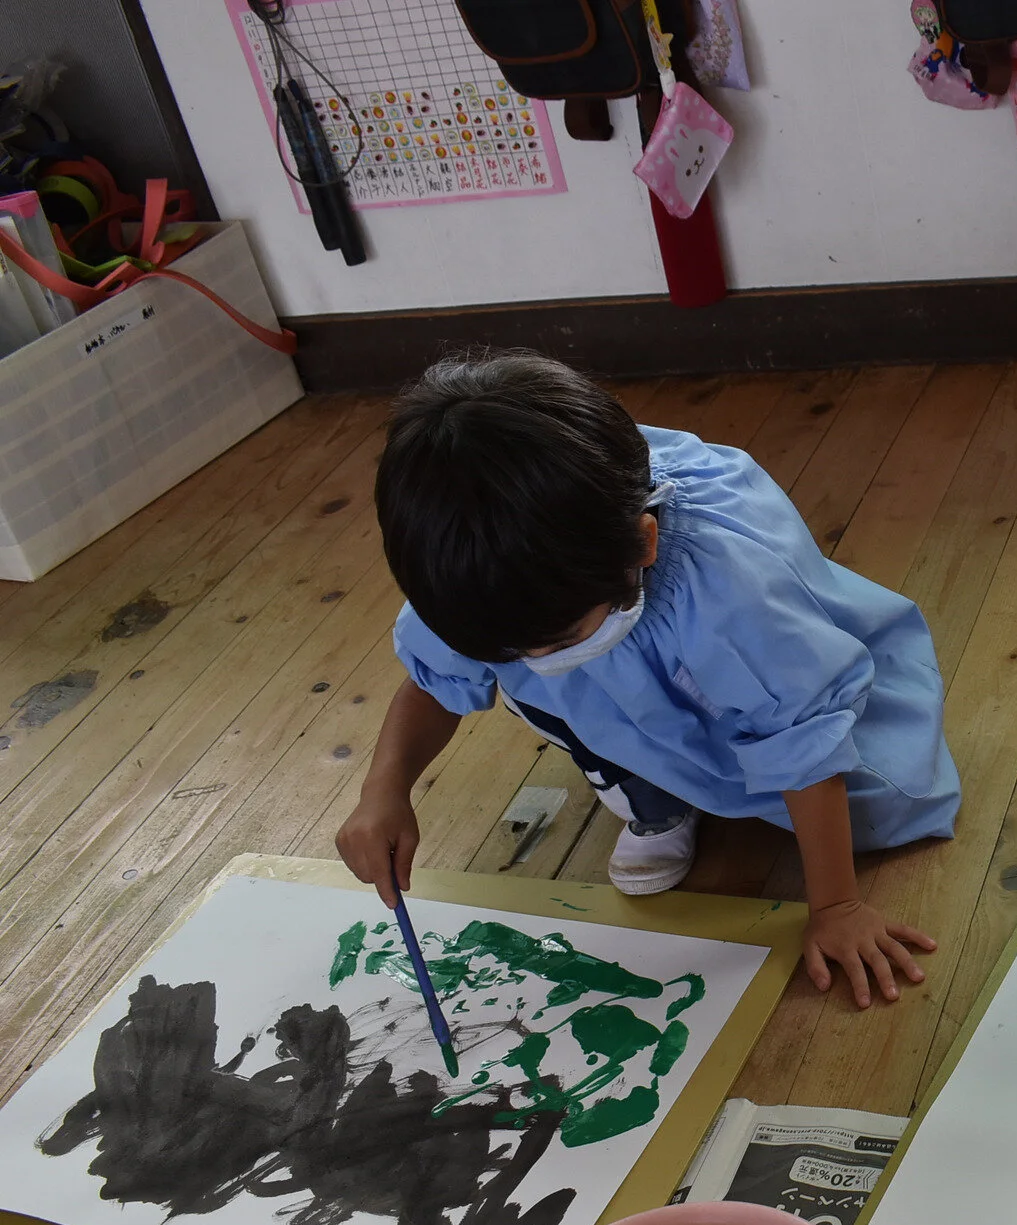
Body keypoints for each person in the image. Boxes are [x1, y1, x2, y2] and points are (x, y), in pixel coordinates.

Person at [336, 351, 960, 1007]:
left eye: (559, 639)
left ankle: (668, 760)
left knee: (873, 811)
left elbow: (800, 740)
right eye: (510, 650)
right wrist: (384, 791)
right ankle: (649, 789)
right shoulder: (475, 577)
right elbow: (434, 679)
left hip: (772, 668)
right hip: (638, 656)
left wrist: (835, 905)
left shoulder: (728, 596)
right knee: (547, 677)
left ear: (645, 542)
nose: (534, 659)